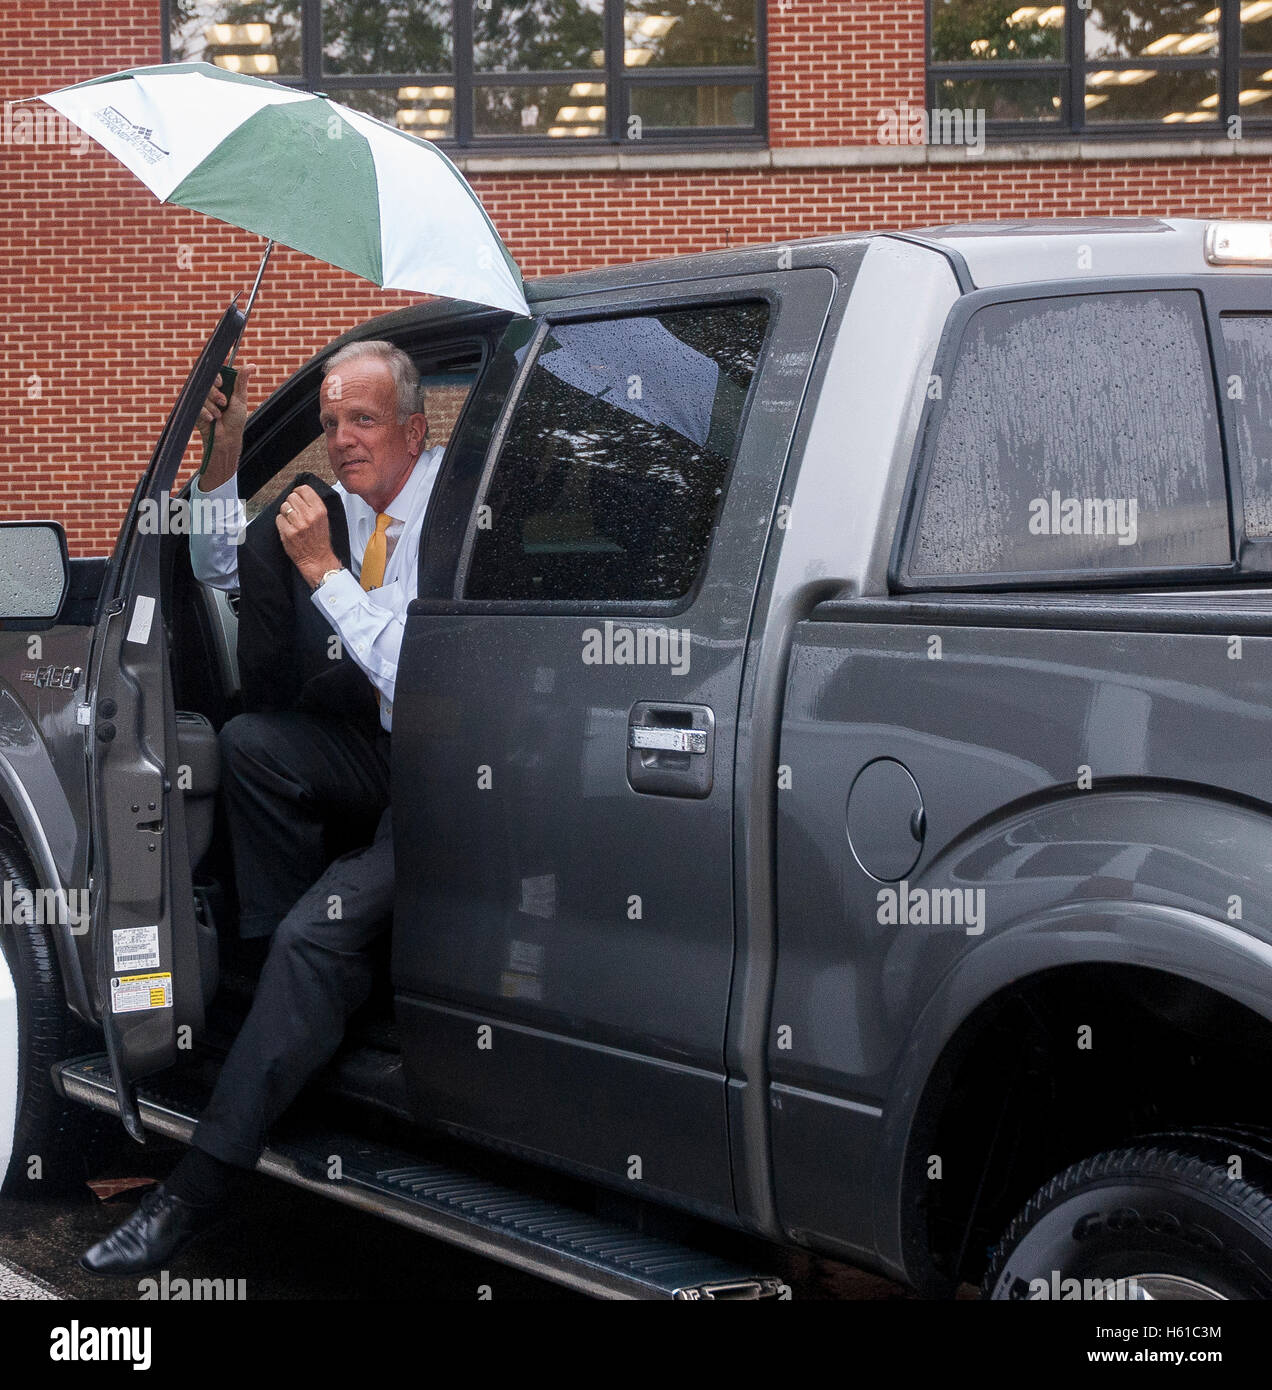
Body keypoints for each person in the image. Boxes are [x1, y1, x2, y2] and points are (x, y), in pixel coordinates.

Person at [81, 340, 444, 1276]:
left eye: (360, 420)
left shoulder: (445, 510)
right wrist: (232, 453)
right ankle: (290, 1022)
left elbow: (411, 673)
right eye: (329, 423)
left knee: (314, 945)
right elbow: (220, 565)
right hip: (379, 753)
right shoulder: (351, 507)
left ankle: (189, 1195)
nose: (339, 440)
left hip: (454, 775)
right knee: (251, 744)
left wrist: (323, 570)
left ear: (415, 428)